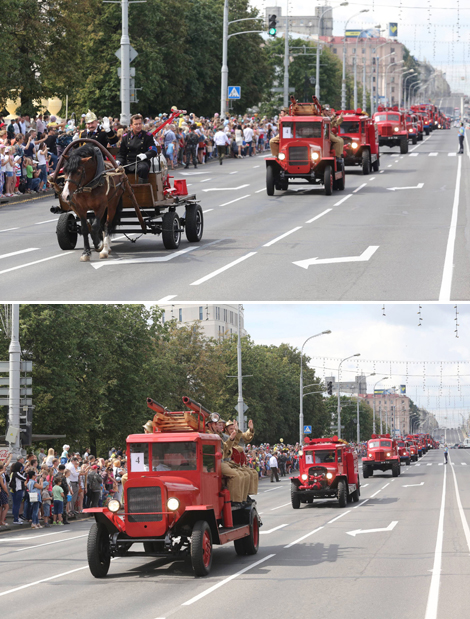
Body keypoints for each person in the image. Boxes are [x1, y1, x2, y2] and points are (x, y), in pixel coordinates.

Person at [0, 463, 10, 529]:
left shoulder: (3, 475)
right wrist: (7, 492)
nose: (5, 468)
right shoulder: (0, 476)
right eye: (4, 467)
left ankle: (2, 521)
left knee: (3, 506)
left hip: (3, 491)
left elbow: (7, 481)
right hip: (2, 491)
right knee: (5, 506)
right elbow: (3, 486)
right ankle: (1, 521)